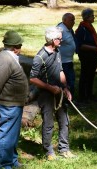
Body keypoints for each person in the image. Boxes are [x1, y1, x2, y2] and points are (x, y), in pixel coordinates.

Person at [30, 27, 76, 161]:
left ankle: (64, 149)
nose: (61, 41)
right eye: (59, 39)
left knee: (64, 121)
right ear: (51, 40)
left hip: (59, 92)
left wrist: (66, 88)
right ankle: (49, 152)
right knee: (48, 123)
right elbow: (32, 78)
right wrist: (50, 88)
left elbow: (61, 70)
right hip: (46, 95)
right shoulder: (40, 57)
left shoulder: (57, 51)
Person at [0, 30, 29, 169]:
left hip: (14, 104)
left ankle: (12, 160)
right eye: (19, 45)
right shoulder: (5, 59)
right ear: (15, 47)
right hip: (8, 104)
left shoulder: (9, 57)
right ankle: (3, 165)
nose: (20, 48)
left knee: (13, 135)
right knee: (6, 134)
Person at [75, 8, 97, 104]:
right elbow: (80, 45)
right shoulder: (82, 28)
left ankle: (89, 94)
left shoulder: (89, 26)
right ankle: (82, 97)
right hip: (86, 56)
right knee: (85, 75)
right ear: (87, 17)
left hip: (92, 55)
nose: (94, 17)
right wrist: (94, 48)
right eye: (92, 16)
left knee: (91, 75)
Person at [57, 13, 76, 99]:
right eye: (71, 20)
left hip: (69, 60)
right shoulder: (60, 30)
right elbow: (55, 43)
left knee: (71, 80)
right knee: (68, 81)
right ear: (64, 21)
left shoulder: (69, 29)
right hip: (63, 61)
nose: (73, 22)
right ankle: (66, 100)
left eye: (74, 20)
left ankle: (69, 98)